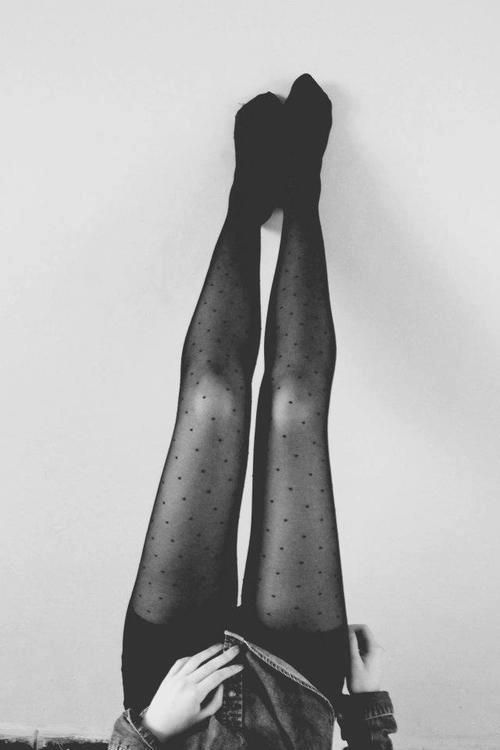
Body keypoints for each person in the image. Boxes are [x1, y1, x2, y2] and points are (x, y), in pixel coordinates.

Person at [108, 73, 397, 749]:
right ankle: (303, 191)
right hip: (299, 692)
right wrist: (365, 711)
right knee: (294, 409)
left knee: (212, 399)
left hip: (172, 687)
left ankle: (246, 200)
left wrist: (148, 730)